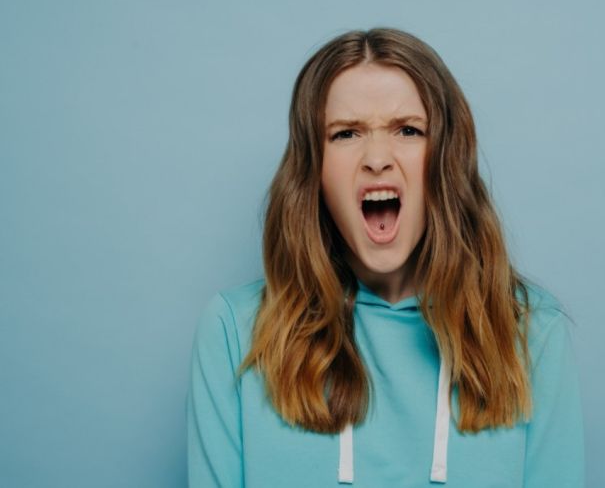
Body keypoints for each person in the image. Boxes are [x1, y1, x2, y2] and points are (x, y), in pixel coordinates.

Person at [186, 27, 584, 487]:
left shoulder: (533, 333)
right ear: (314, 171)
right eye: (346, 133)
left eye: (408, 130)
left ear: (446, 162)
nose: (377, 158)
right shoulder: (234, 334)